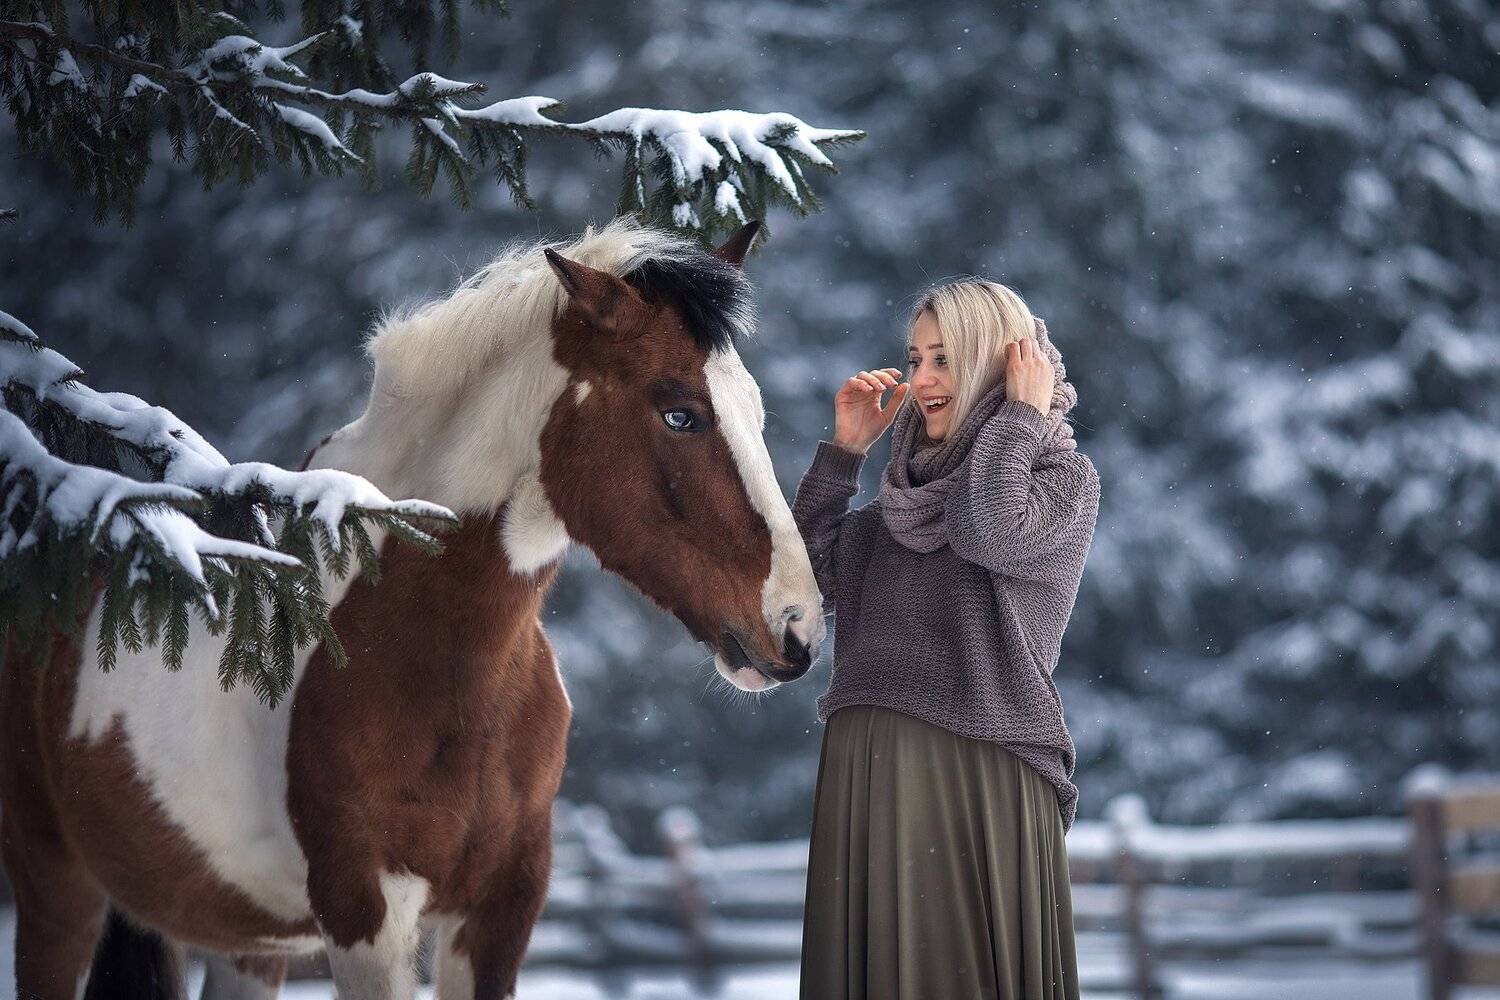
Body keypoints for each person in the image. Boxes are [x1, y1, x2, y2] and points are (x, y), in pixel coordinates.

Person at [792, 278, 1101, 1000]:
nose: (923, 379)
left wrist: (1020, 418)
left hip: (977, 769)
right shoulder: (892, 509)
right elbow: (798, 589)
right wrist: (844, 455)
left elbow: (989, 531)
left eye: (946, 359)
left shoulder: (1062, 480)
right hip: (868, 769)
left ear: (1002, 364)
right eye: (916, 358)